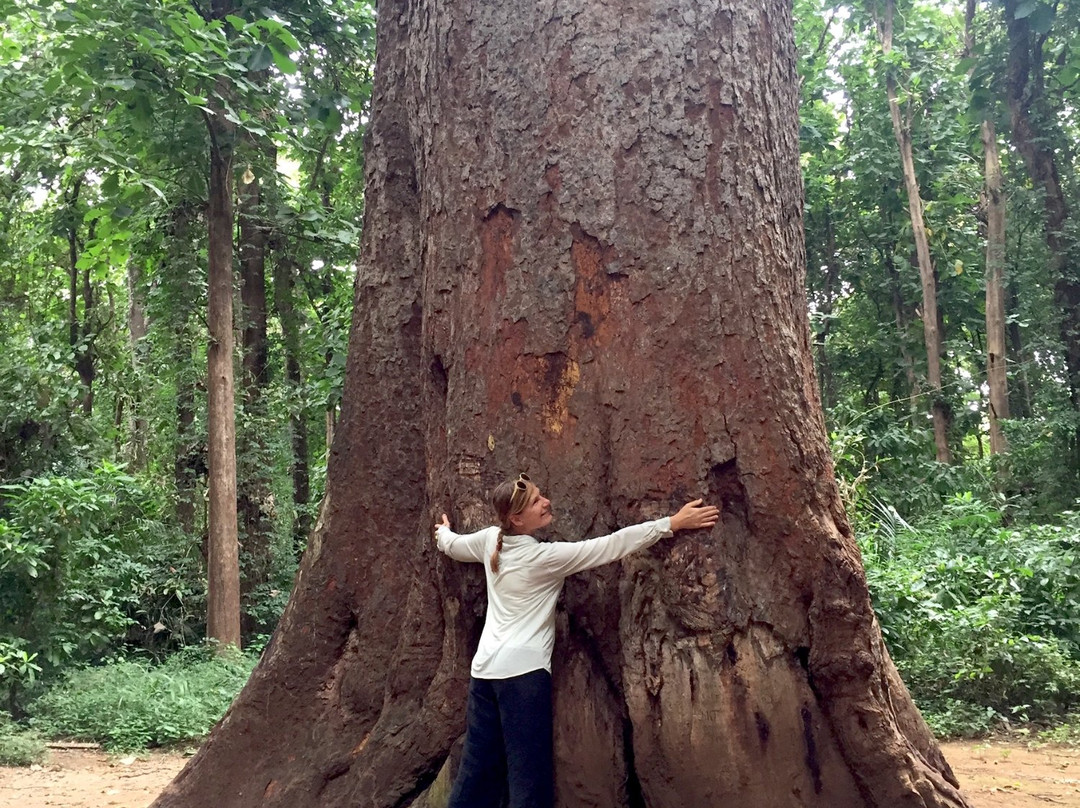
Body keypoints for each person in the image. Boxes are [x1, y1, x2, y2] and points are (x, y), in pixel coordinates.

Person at [434, 473, 720, 808]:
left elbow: (453, 546)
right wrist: (672, 523)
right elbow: (611, 545)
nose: (546, 502)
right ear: (517, 519)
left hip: (484, 673)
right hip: (522, 677)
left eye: (541, 495)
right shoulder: (544, 558)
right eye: (536, 502)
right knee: (528, 779)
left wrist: (442, 533)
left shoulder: (489, 540)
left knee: (475, 773)